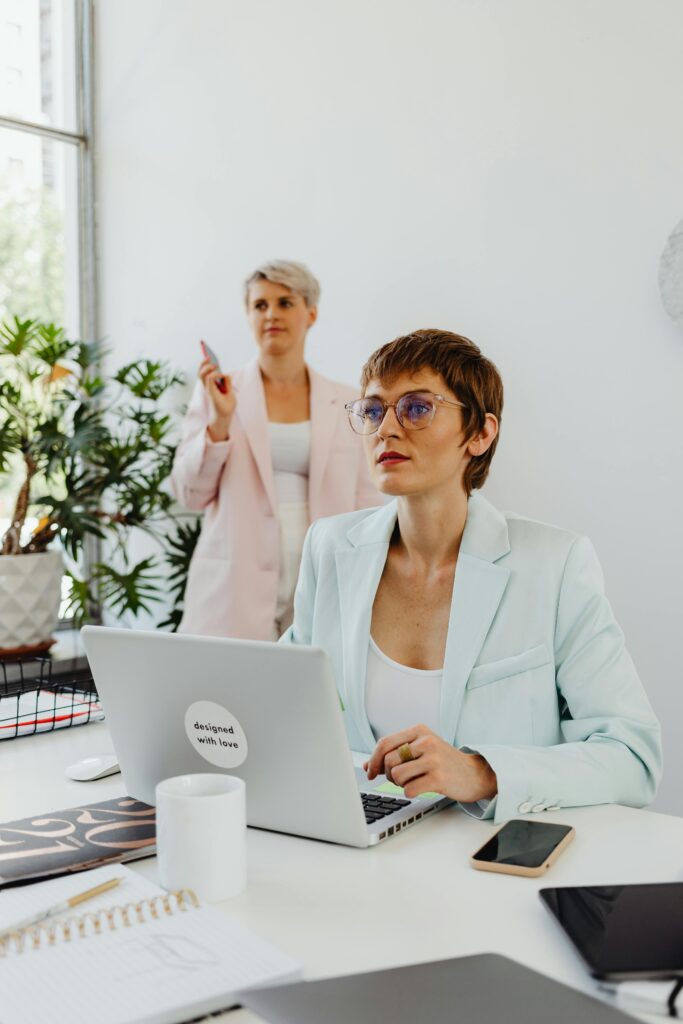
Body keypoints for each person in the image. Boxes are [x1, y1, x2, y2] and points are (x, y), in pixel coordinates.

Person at [281, 329, 662, 822]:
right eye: (374, 410)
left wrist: (483, 772)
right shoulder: (329, 548)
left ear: (481, 433)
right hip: (356, 843)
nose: (386, 429)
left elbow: (633, 756)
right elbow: (286, 709)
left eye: (417, 407)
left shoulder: (555, 564)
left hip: (489, 860)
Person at [170, 260, 380, 640]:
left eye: (285, 303)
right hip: (235, 583)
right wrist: (219, 422)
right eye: (260, 305)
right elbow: (189, 492)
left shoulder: (349, 401)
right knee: (231, 693)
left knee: (311, 692)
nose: (271, 315)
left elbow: (368, 501)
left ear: (311, 313)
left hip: (325, 575)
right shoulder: (219, 392)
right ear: (248, 315)